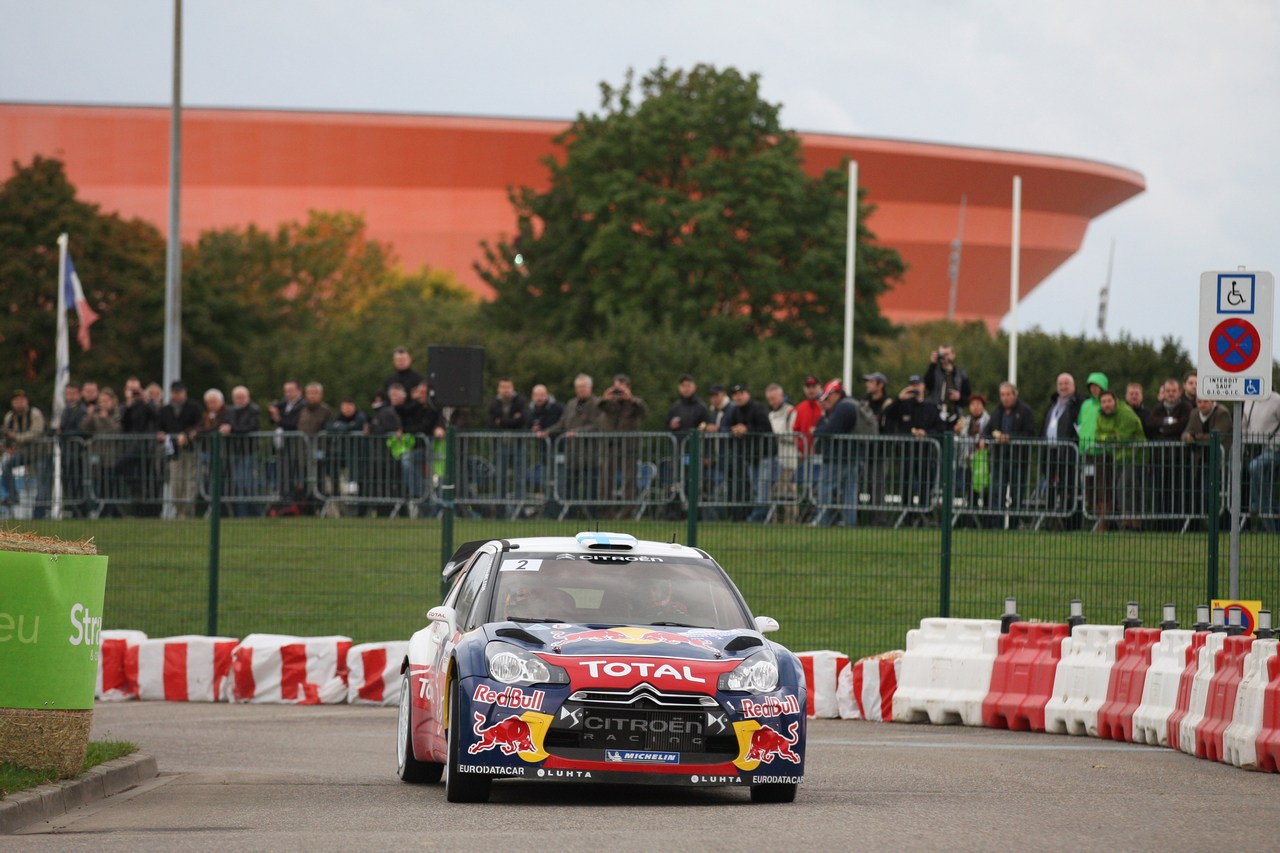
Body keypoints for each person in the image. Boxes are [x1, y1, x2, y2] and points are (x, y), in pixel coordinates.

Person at [540, 374, 603, 515]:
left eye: (583, 387)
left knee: (590, 487)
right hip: (572, 454)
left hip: (589, 454)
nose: (580, 390)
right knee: (570, 486)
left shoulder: (597, 404)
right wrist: (547, 432)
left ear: (590, 388)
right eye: (578, 387)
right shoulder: (571, 404)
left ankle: (592, 514)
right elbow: (562, 423)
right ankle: (571, 513)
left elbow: (597, 425)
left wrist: (577, 432)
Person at [980, 382, 1036, 527]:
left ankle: (1013, 526)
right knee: (997, 492)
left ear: (1015, 395)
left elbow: (1029, 433)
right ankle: (995, 526)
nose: (1005, 398)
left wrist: (1010, 438)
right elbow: (987, 430)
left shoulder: (1025, 411)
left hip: (1018, 461)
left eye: (1008, 394)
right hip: (999, 460)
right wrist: (986, 439)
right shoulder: (997, 411)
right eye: (1002, 395)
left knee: (1016, 495)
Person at [1093, 389, 1146, 531]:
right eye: (1103, 402)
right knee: (1121, 490)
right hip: (1119, 458)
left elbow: (1124, 436)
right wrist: (1111, 436)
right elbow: (1098, 436)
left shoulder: (1126, 413)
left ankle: (1134, 524)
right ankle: (1126, 523)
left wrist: (1109, 437)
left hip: (1135, 456)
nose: (1106, 405)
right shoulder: (1101, 416)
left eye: (1109, 401)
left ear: (1115, 401)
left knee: (1127, 489)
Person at [599, 374, 649, 518]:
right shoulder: (610, 403)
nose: (618, 392)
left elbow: (644, 411)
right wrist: (605, 397)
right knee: (606, 478)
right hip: (611, 445)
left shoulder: (635, 403)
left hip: (629, 446)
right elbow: (599, 408)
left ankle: (627, 512)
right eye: (616, 388)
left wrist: (630, 399)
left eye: (621, 388)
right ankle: (606, 511)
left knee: (629, 478)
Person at [811, 380, 859, 527]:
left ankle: (823, 521)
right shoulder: (851, 404)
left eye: (828, 396)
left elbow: (831, 430)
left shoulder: (843, 407)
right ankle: (850, 522)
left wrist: (817, 432)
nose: (827, 400)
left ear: (836, 394)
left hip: (836, 457)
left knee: (825, 489)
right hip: (850, 456)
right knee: (849, 492)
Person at [1144, 378, 1192, 525]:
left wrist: (1162, 428)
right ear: (1163, 393)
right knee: (1160, 491)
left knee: (1177, 491)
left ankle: (1177, 524)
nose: (1171, 394)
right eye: (1168, 391)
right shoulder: (1157, 408)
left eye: (1174, 391)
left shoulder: (1186, 407)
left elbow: (1182, 425)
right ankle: (1161, 524)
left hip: (1179, 458)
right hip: (1160, 458)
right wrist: (1169, 422)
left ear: (1179, 392)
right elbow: (1150, 423)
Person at [156, 381, 203, 519]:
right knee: (176, 480)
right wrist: (160, 434)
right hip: (173, 451)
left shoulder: (194, 407)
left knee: (189, 480)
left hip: (190, 449)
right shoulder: (166, 410)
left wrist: (187, 435)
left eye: (180, 392)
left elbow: (199, 425)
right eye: (175, 392)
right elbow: (159, 427)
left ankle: (187, 511)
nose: (177, 395)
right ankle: (179, 510)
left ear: (184, 392)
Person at [725, 384, 771, 521]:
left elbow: (766, 428)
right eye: (735, 394)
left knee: (762, 487)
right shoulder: (734, 411)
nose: (738, 397)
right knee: (756, 487)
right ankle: (757, 515)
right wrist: (734, 431)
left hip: (765, 454)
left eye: (741, 393)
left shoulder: (757, 408)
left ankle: (759, 517)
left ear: (747, 394)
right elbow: (726, 427)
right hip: (750, 455)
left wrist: (747, 429)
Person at [0, 390, 48, 517]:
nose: (19, 403)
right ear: (12, 403)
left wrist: (16, 437)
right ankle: (13, 495)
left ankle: (39, 513)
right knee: (6, 465)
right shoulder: (10, 416)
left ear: (26, 401)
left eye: (21, 400)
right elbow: (7, 434)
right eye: (16, 400)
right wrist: (7, 445)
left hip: (40, 453)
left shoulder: (35, 414)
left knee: (42, 483)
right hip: (24, 453)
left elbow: (35, 433)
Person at [1041, 373, 1082, 518]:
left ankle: (1070, 521)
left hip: (1068, 453)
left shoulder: (1078, 403)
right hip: (1050, 452)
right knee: (1052, 486)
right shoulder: (1052, 405)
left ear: (1074, 386)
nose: (1063, 387)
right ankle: (1052, 518)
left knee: (1069, 486)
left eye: (1066, 384)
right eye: (1060, 384)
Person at [1183, 396, 1232, 518]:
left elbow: (1217, 437)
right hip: (1201, 460)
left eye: (1205, 401)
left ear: (1213, 401)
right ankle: (1205, 521)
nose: (1202, 405)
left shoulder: (1222, 413)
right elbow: (1185, 433)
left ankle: (1219, 522)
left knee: (1212, 492)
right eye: (1199, 402)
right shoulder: (1194, 413)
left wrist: (1195, 437)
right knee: (1200, 492)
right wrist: (1188, 437)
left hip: (1219, 461)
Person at [487, 377, 530, 514]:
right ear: (499, 389)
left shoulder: (520, 401)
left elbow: (524, 419)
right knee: (500, 477)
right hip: (501, 445)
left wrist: (502, 421)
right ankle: (500, 511)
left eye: (508, 387)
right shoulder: (494, 403)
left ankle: (520, 511)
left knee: (520, 477)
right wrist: (513, 420)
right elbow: (491, 423)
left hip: (518, 444)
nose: (506, 390)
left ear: (513, 388)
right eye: (503, 387)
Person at [1243, 391, 1280, 531]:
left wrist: (1274, 444)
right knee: (1265, 487)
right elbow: (1244, 424)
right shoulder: (1249, 399)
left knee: (1255, 467)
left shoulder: (1277, 400)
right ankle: (1270, 526)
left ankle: (1256, 503)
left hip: (1274, 450)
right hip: (1253, 449)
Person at [226, 385, 264, 517]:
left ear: (248, 398)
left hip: (249, 451)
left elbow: (251, 427)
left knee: (248, 484)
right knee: (237, 483)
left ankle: (257, 514)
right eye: (236, 397)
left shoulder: (254, 410)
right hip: (234, 451)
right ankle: (241, 514)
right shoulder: (230, 411)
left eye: (242, 397)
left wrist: (232, 429)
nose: (239, 400)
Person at [83, 387, 123, 512]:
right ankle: (101, 508)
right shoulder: (95, 415)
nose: (103, 404)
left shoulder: (117, 413)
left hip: (112, 456)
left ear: (113, 401)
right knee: (97, 484)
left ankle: (109, 510)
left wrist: (105, 419)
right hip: (98, 455)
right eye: (101, 401)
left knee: (110, 485)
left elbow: (117, 430)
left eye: (106, 401)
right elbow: (84, 428)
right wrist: (89, 416)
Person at [269, 380, 307, 508]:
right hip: (283, 444)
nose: (288, 394)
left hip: (295, 445)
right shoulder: (283, 404)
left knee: (292, 473)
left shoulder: (302, 405)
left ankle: (292, 502)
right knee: (282, 472)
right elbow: (272, 420)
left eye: (291, 390)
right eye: (286, 391)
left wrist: (278, 418)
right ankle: (283, 500)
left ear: (299, 391)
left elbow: (292, 423)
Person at [763, 383, 798, 520]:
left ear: (781, 396)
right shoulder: (771, 414)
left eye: (774, 398)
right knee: (775, 492)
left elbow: (794, 435)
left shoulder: (791, 412)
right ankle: (776, 521)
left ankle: (792, 520)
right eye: (769, 399)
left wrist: (776, 435)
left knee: (788, 492)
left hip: (788, 460)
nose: (771, 402)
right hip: (775, 460)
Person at [955, 393, 991, 511]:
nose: (975, 407)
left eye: (978, 404)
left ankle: (985, 519)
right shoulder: (965, 421)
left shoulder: (989, 421)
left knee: (985, 491)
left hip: (983, 462)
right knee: (970, 491)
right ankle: (971, 520)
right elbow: (959, 440)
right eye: (972, 404)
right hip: (968, 462)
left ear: (983, 406)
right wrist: (957, 431)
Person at [923, 345, 971, 425]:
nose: (943, 357)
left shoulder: (961, 374)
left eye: (946, 354)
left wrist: (959, 397)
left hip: (954, 416)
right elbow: (926, 386)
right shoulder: (934, 371)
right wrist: (932, 364)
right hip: (934, 416)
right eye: (941, 354)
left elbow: (968, 397)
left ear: (953, 355)